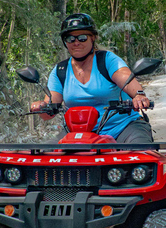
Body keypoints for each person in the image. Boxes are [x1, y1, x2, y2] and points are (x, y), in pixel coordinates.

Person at [31, 13, 153, 143]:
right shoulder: (60, 71)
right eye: (70, 38)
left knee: (141, 152)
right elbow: (48, 112)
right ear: (65, 42)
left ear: (93, 38)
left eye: (82, 37)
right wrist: (41, 107)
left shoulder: (107, 60)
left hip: (122, 128)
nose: (76, 42)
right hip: (76, 134)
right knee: (44, 155)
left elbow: (125, 76)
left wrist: (138, 95)